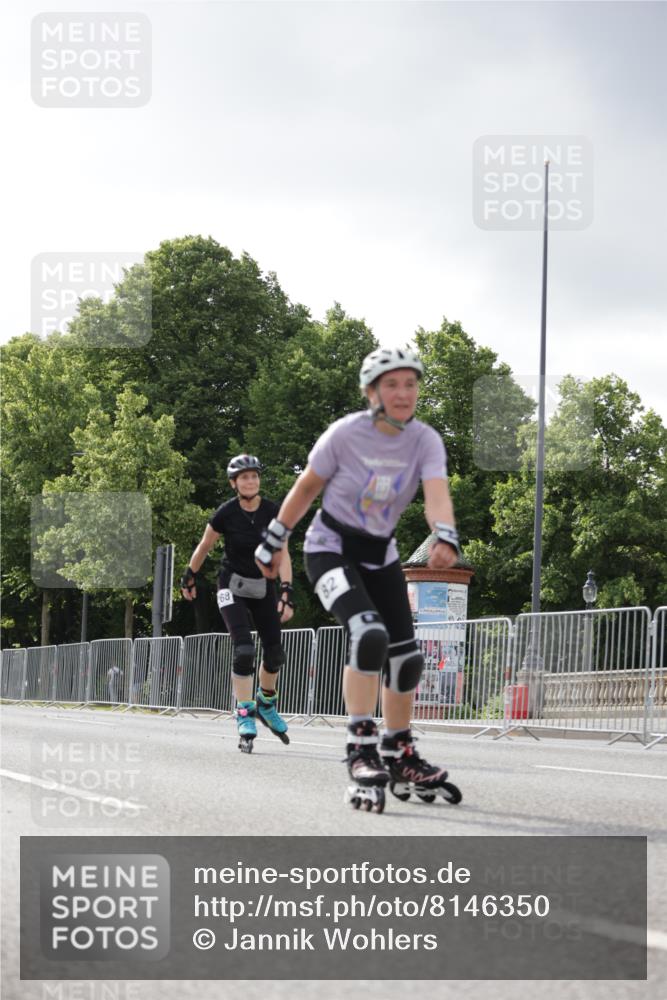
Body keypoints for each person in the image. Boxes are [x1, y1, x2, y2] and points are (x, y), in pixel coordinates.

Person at [255, 347, 463, 813]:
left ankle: (399, 749)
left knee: (407, 659)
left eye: (411, 383)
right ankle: (361, 748)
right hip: (329, 549)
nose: (403, 393)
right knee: (369, 635)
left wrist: (444, 534)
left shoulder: (425, 441)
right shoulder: (345, 435)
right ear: (372, 392)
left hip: (380, 555)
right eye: (392, 384)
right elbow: (306, 487)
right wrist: (274, 538)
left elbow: (436, 495)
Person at [180, 454, 294, 753]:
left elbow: (283, 552)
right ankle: (245, 713)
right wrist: (189, 576)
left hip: (262, 586)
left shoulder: (273, 511)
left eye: (254, 476)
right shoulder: (225, 513)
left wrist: (286, 591)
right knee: (244, 650)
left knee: (276, 654)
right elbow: (205, 546)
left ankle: (266, 704)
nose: (250, 481)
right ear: (234, 483)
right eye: (244, 477)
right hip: (230, 585)